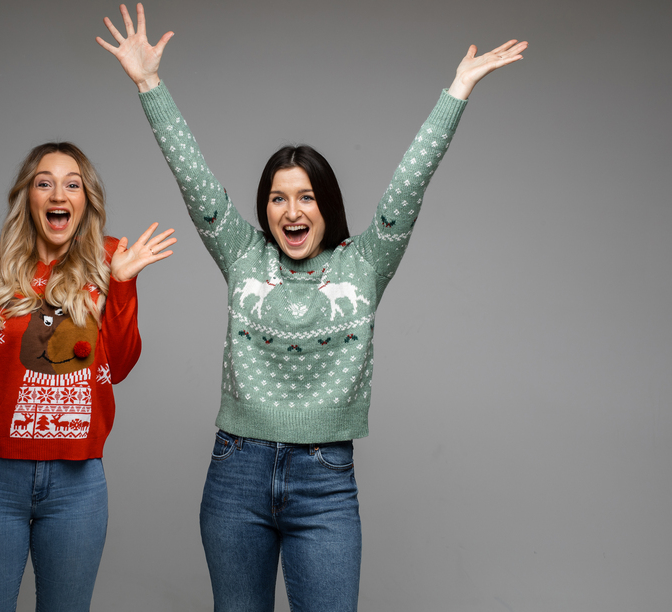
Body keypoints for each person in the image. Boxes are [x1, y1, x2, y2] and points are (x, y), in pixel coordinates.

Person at [98, 4, 527, 611]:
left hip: (325, 482)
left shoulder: (365, 264)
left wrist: (456, 90)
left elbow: (410, 184)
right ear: (264, 207)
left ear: (327, 204)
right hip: (235, 473)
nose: (291, 211)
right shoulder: (243, 256)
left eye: (305, 197)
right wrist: (149, 84)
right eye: (277, 198)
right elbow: (192, 176)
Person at [0, 141, 176, 612]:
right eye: (44, 183)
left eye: (72, 184)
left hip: (78, 482)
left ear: (86, 200)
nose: (58, 194)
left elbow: (121, 366)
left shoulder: (110, 259)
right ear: (28, 196)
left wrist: (125, 284)